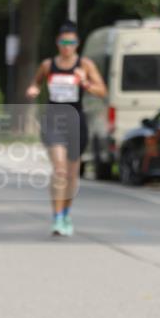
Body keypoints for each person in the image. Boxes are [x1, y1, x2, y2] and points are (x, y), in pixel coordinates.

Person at [26, 20, 107, 236]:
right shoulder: (47, 65)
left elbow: (102, 91)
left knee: (72, 175)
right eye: (63, 41)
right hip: (53, 120)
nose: (67, 45)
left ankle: (66, 213)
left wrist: (85, 83)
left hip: (76, 121)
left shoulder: (85, 65)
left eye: (71, 41)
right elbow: (36, 83)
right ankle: (56, 218)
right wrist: (33, 89)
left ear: (77, 43)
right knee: (60, 169)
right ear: (57, 42)